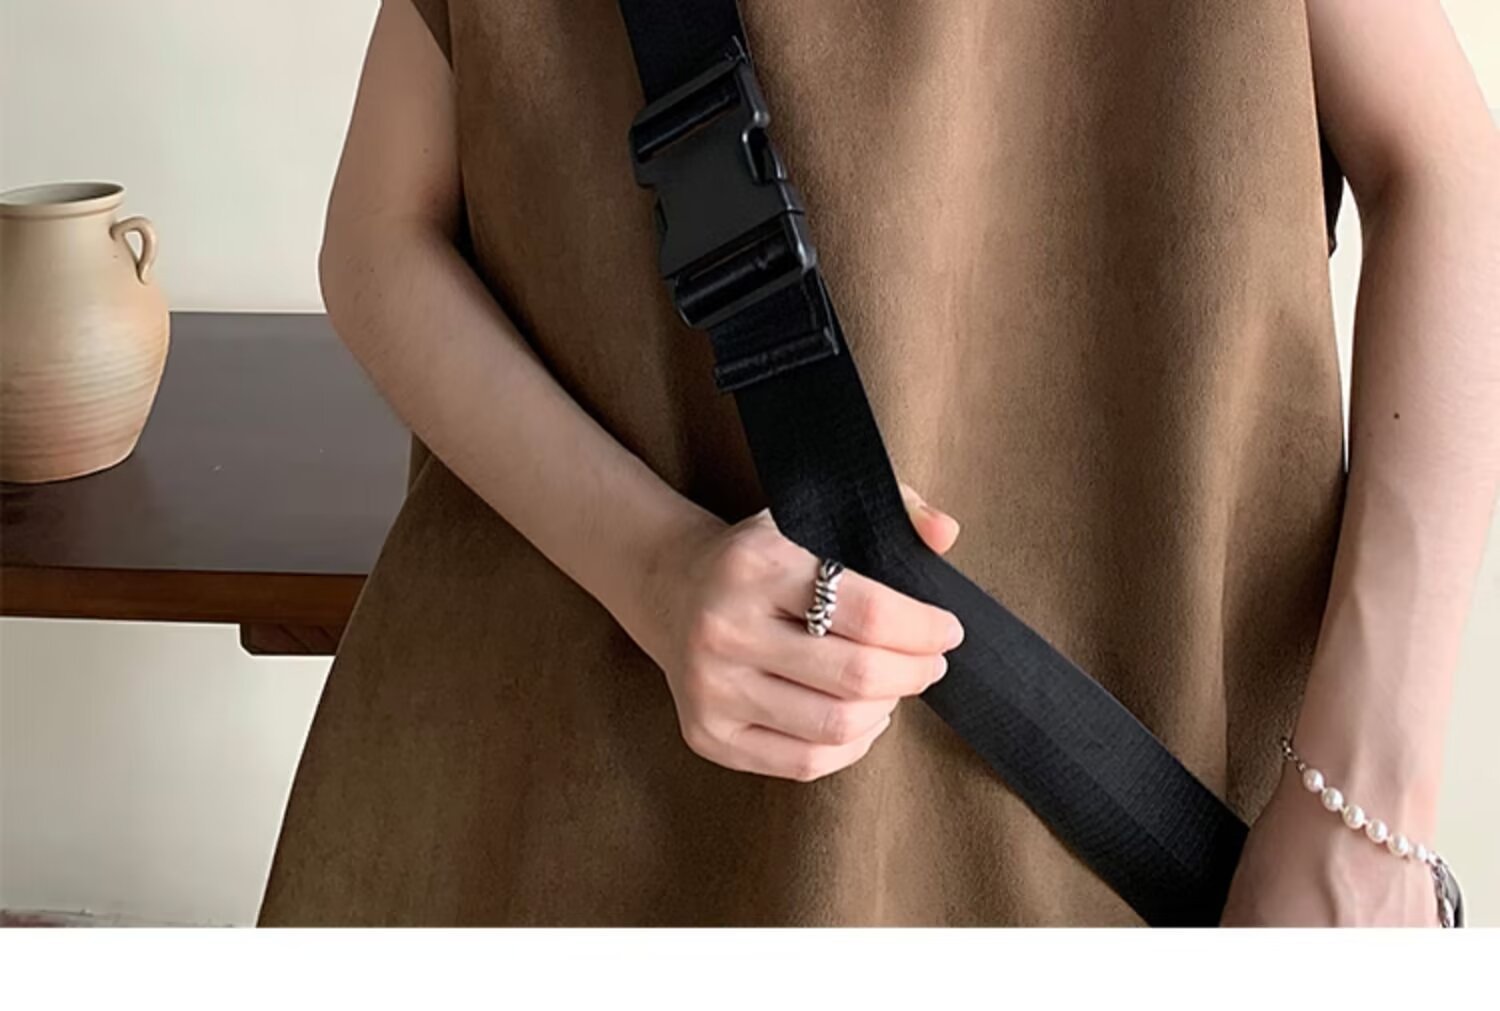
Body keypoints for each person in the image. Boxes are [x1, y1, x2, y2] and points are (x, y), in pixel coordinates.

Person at [259, 0, 1499, 926]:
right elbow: (380, 238)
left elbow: (1446, 173)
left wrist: (1367, 809)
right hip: (570, 810)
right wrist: (652, 567)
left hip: (1128, 818)